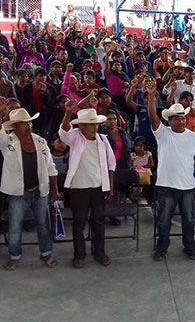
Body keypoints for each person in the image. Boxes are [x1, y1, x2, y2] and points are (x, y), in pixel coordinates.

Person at [146, 80, 195, 261]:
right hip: (165, 186)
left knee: (188, 220)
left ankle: (190, 247)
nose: (181, 120)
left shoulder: (193, 137)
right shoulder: (162, 133)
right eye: (177, 118)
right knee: (163, 221)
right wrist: (150, 97)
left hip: (187, 187)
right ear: (169, 121)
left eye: (183, 117)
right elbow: (152, 117)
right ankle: (161, 248)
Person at [0, 105, 59, 270]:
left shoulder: (40, 141)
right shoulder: (8, 141)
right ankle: (14, 256)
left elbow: (50, 166)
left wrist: (54, 189)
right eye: (23, 123)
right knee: (14, 226)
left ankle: (46, 253)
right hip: (18, 193)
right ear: (15, 126)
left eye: (29, 122)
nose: (28, 126)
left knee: (43, 224)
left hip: (39, 191)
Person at [59, 102, 116, 268]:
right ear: (82, 126)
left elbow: (111, 164)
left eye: (95, 124)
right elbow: (63, 131)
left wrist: (110, 187)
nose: (94, 127)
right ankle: (79, 255)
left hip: (98, 187)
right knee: (79, 222)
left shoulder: (103, 140)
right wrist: (68, 112)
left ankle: (100, 253)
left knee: (98, 221)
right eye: (90, 124)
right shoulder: (75, 137)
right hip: (79, 188)